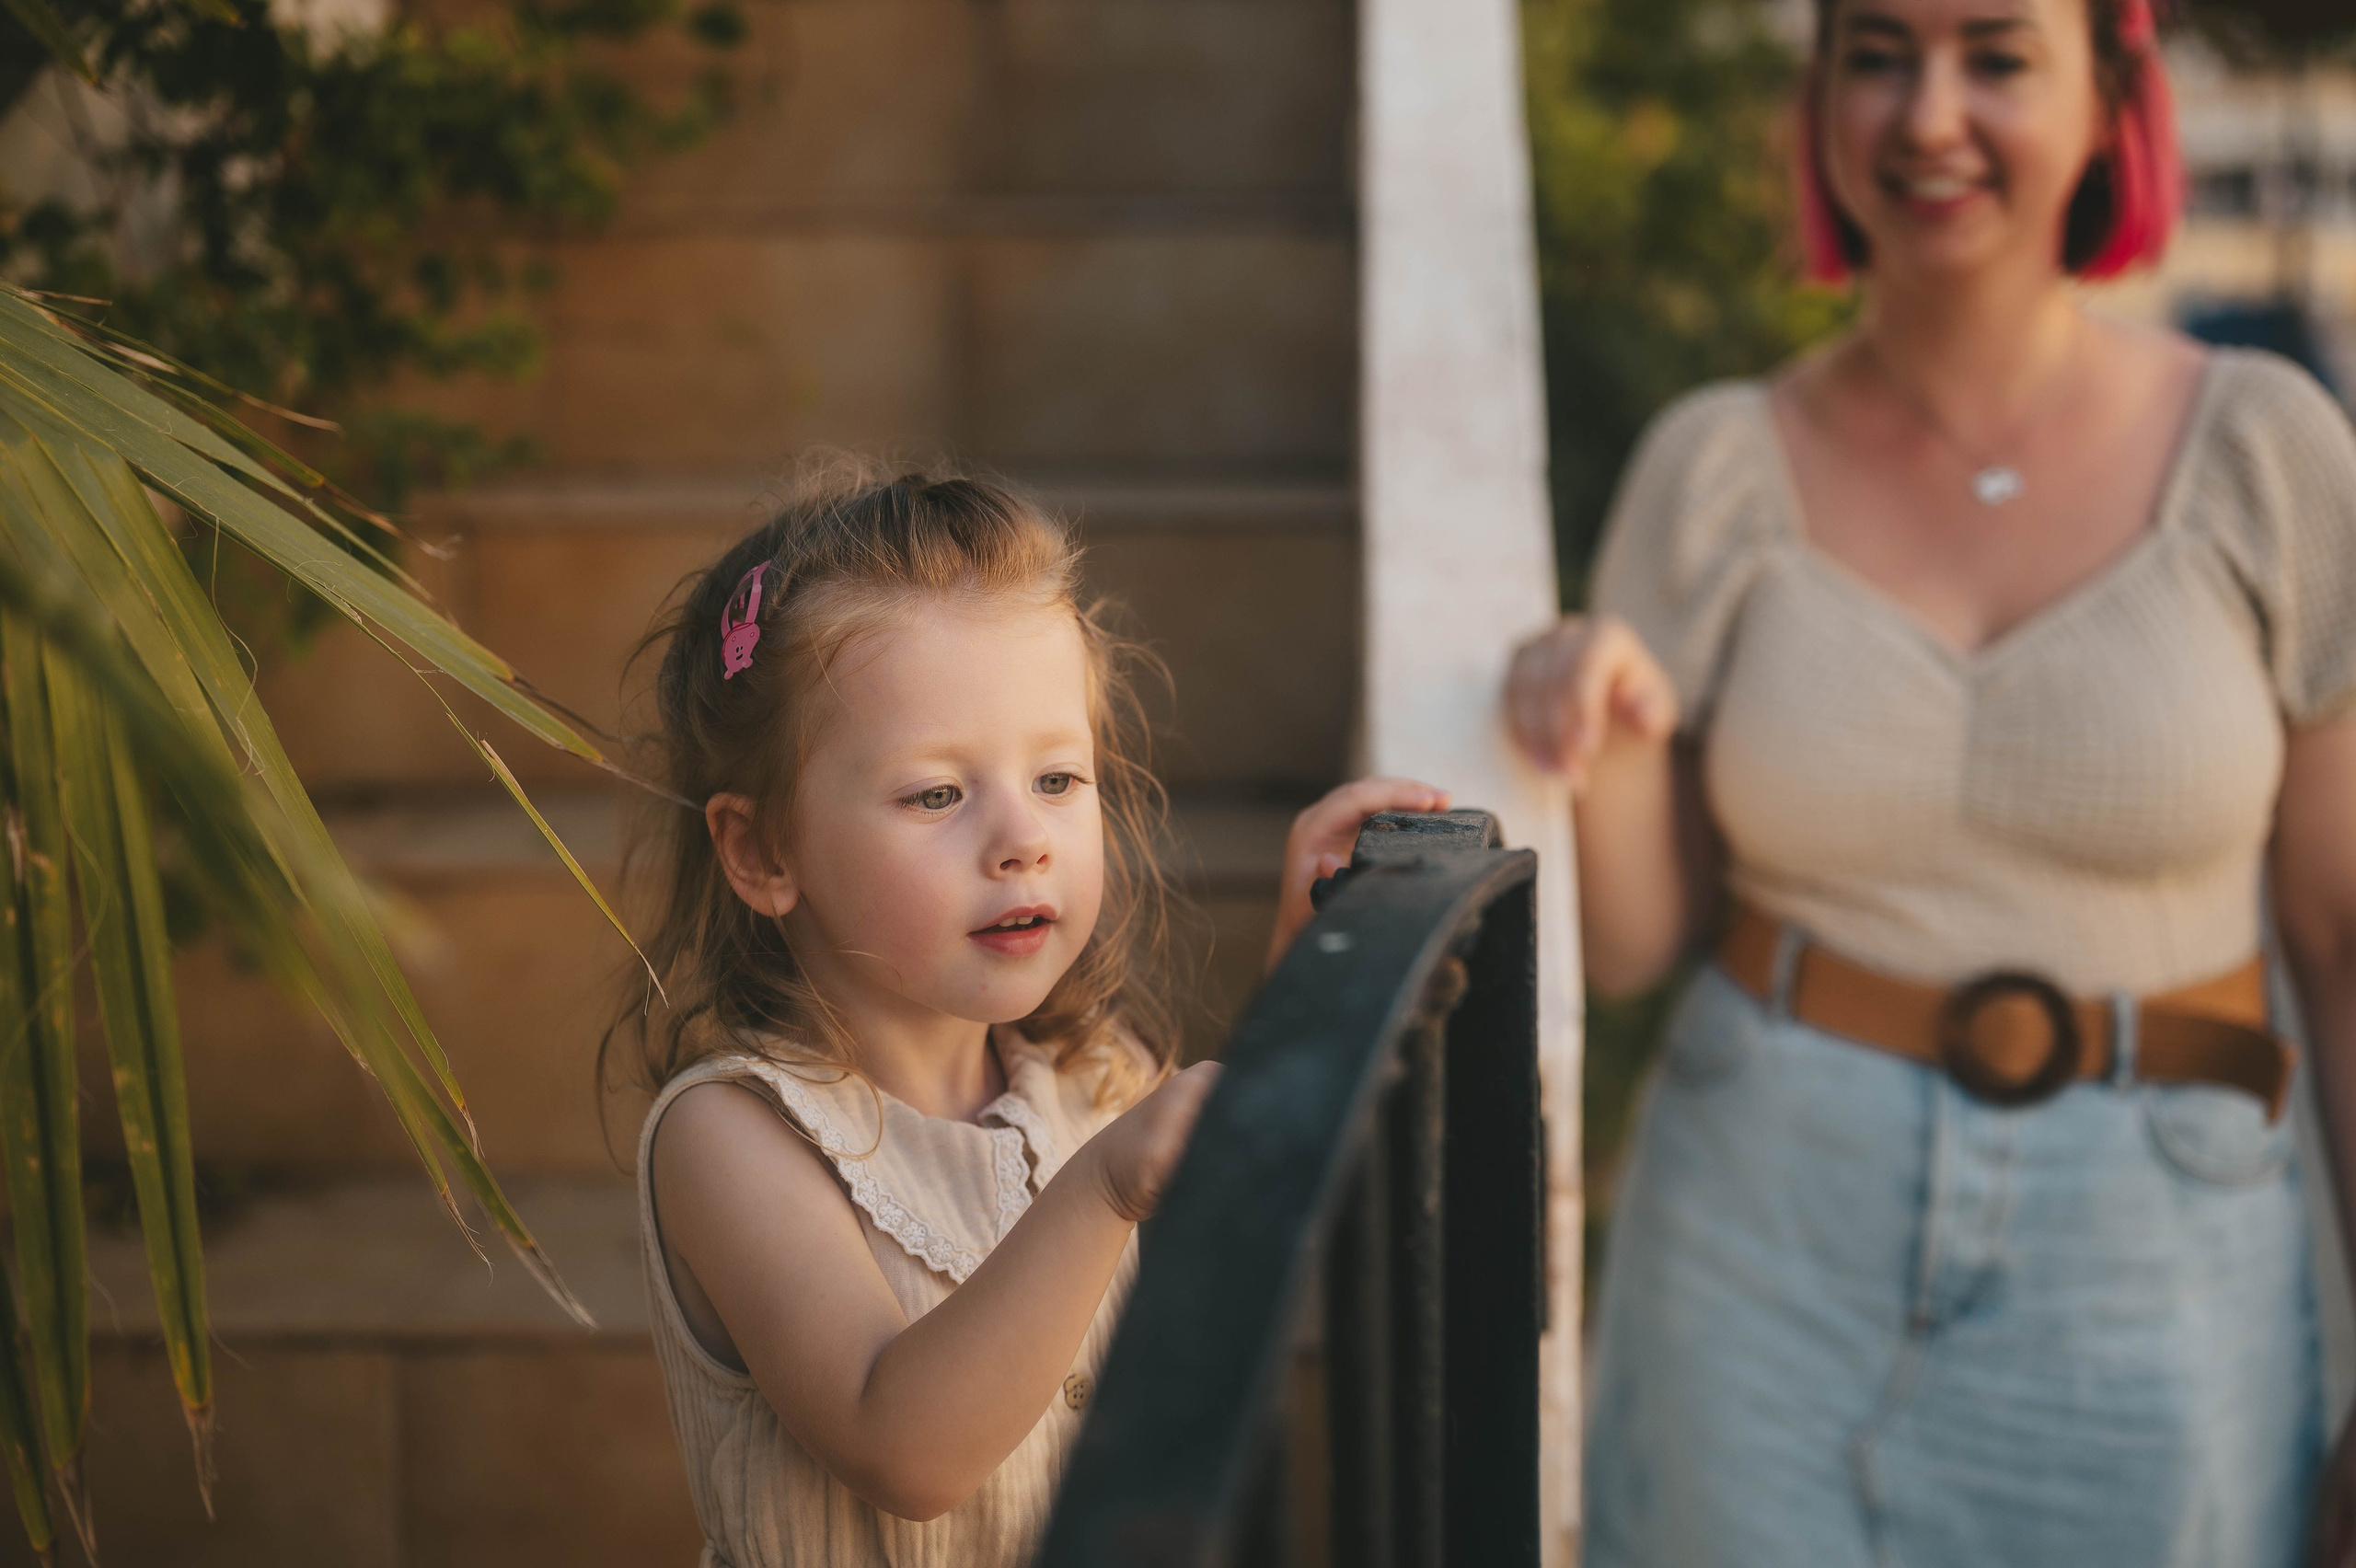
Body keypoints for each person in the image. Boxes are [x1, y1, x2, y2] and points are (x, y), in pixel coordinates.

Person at [1506, 0, 2356, 1561]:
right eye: (1877, 54)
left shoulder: (2269, 451)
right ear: (1822, 94)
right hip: (1764, 1228)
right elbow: (1633, 942)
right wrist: (1602, 726)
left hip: (2164, 1258)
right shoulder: (1713, 463)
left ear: (2111, 99)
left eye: (1997, 56)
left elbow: (2345, 941)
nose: (1927, 115)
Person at [615, 464, 1444, 1568]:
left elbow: (1223, 1219)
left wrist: (1301, 966)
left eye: (1057, 779)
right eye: (936, 795)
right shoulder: (734, 1138)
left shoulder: (1090, 1077)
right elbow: (899, 1443)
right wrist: (1102, 1185)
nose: (1022, 839)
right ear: (763, 851)